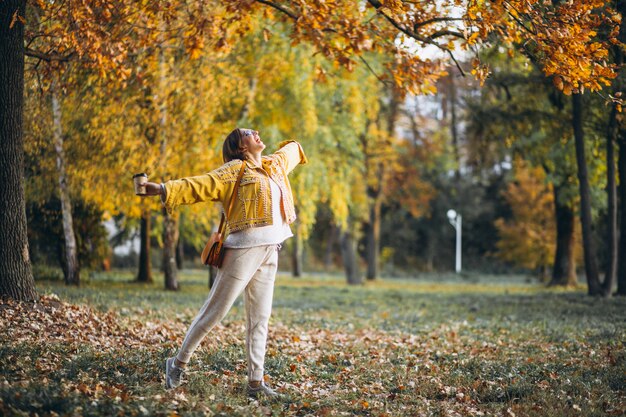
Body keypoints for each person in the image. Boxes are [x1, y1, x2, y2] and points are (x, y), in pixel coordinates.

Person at [140, 128, 307, 398]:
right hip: (242, 251)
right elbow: (199, 185)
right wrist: (161, 189)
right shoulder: (233, 171)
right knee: (215, 312)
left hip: (270, 250)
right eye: (248, 133)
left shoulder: (273, 166)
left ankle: (255, 383)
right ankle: (177, 363)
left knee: (260, 318)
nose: (256, 132)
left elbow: (293, 150)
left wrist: (296, 145)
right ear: (240, 147)